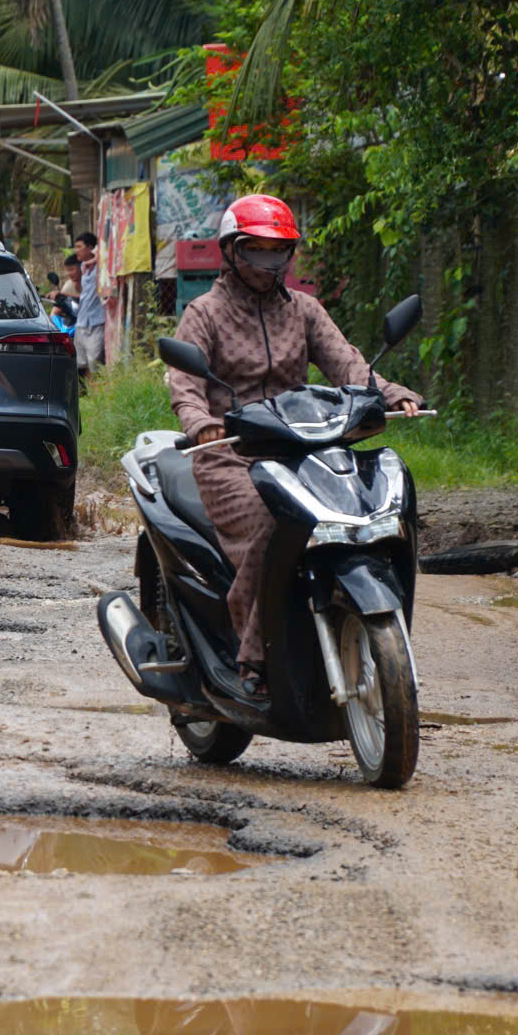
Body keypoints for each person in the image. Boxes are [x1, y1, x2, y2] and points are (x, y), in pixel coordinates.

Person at [164, 194, 421, 701]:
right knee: (274, 527)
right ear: (232, 252)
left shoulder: (304, 310)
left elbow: (348, 365)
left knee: (361, 511)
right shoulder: (205, 313)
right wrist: (200, 424)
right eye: (257, 251)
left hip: (302, 447)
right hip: (232, 453)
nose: (268, 263)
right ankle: (253, 654)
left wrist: (392, 394)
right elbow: (184, 384)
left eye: (278, 252)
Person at [71, 231, 105, 385]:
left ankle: (98, 395)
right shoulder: (84, 268)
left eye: (79, 247)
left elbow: (104, 252)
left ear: (90, 248)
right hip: (81, 322)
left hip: (96, 322)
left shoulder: (101, 266)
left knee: (95, 365)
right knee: (82, 364)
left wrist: (96, 257)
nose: (76, 250)